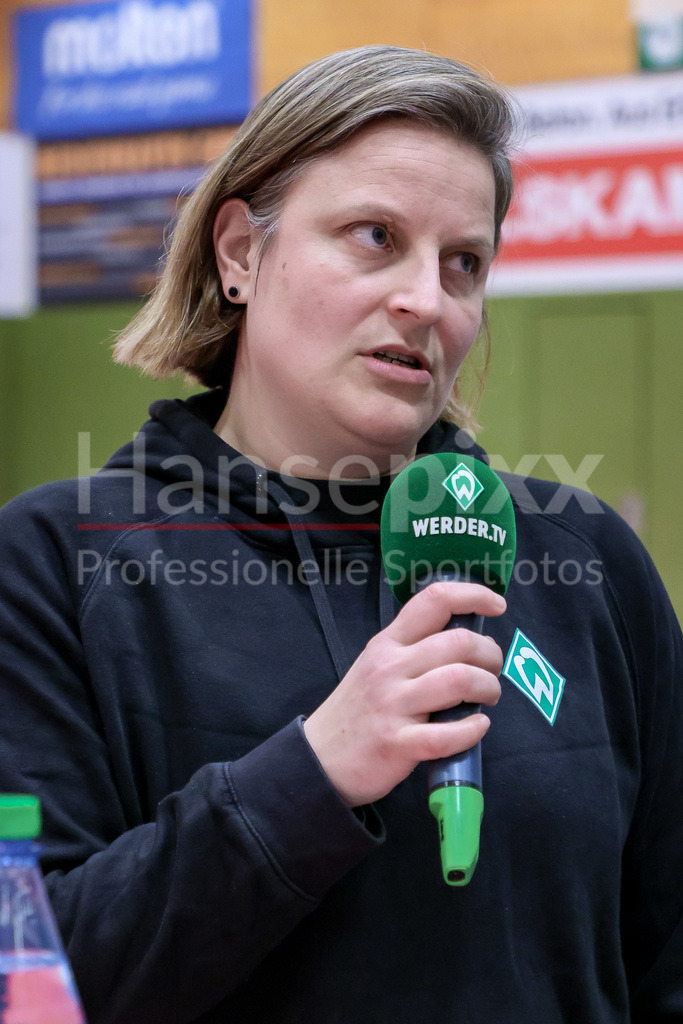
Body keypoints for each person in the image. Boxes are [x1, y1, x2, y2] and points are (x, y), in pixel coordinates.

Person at [0, 44, 681, 1024]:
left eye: (463, 263)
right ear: (240, 254)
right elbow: (34, 982)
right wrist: (310, 776)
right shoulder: (56, 563)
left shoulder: (589, 565)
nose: (426, 300)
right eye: (374, 236)